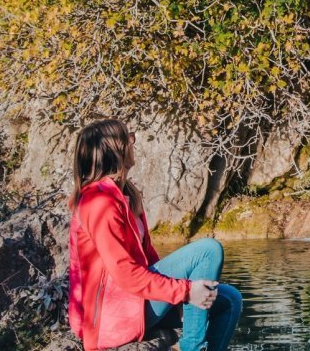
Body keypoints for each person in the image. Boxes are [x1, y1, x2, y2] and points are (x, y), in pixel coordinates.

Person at [67, 118, 242, 351]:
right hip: (111, 316)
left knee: (230, 299)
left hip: (136, 302)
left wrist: (176, 297)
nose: (133, 142)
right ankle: (192, 347)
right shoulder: (98, 202)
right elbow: (126, 275)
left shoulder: (124, 193)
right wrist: (186, 292)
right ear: (114, 149)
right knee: (207, 251)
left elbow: (149, 260)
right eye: (129, 137)